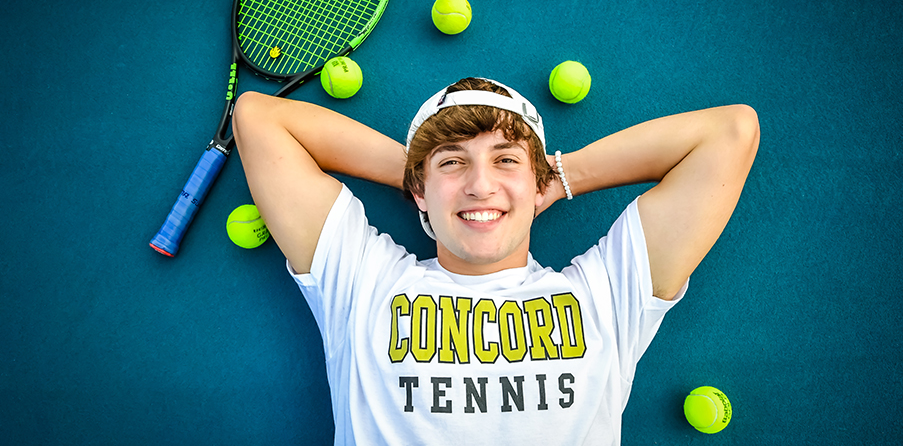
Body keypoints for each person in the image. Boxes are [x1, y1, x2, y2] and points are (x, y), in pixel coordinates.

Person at [232, 77, 759, 445]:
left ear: (538, 183)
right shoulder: (363, 281)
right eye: (455, 162)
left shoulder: (605, 296)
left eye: (506, 161)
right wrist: (423, 173)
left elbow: (730, 133)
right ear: (417, 190)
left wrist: (561, 175)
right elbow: (258, 118)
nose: (481, 184)